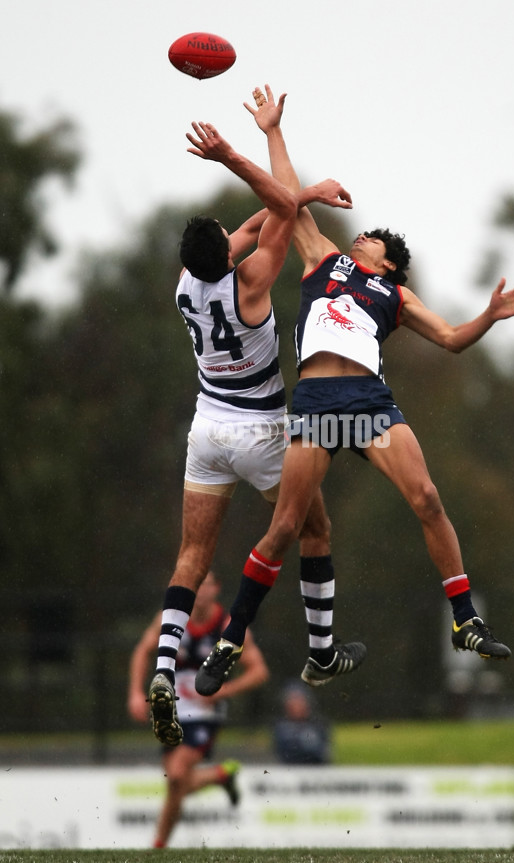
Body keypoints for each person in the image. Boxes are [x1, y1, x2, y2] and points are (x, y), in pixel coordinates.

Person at [194, 84, 514, 695]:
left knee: (428, 498)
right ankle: (229, 640)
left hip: (372, 404)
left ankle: (465, 622)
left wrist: (490, 314)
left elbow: (454, 339)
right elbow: (284, 202)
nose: (358, 238)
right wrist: (272, 132)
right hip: (318, 405)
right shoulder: (325, 260)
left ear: (388, 263)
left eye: (370, 240)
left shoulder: (395, 295)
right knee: (285, 528)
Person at [148, 116, 355, 746]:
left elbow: (269, 212)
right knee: (313, 528)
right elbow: (278, 209)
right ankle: (321, 649)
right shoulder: (253, 282)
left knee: (192, 554)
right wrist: (243, 158)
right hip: (261, 429)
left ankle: (164, 668)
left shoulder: (188, 284)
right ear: (228, 254)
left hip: (206, 428)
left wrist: (302, 192)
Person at [129, 570, 269, 848]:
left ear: (216, 589)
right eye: (197, 585)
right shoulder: (170, 620)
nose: (201, 591)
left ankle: (158, 844)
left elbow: (259, 671)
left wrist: (223, 692)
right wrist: (134, 693)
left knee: (178, 774)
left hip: (206, 714)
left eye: (206, 585)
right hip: (172, 712)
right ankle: (219, 776)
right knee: (175, 782)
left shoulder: (228, 626)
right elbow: (142, 651)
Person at [273, 682, 331, 765]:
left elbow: (323, 754)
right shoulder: (280, 727)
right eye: (292, 700)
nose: (296, 704)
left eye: (299, 700)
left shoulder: (319, 725)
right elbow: (282, 753)